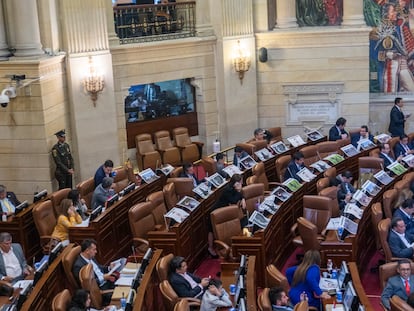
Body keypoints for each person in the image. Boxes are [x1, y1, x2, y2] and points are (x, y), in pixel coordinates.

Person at [207, 174, 247, 257]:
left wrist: (242, 198)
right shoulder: (227, 190)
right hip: (216, 211)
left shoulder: (234, 188)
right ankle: (210, 248)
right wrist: (239, 191)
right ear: (235, 183)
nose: (242, 184)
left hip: (225, 212)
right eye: (240, 182)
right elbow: (233, 200)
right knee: (211, 229)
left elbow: (240, 196)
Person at [72, 239, 117, 305]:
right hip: (100, 290)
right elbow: (87, 286)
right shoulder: (78, 266)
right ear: (87, 250)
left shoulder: (90, 256)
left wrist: (109, 268)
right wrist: (103, 278)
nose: (96, 252)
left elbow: (99, 268)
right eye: (94, 249)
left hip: (107, 281)